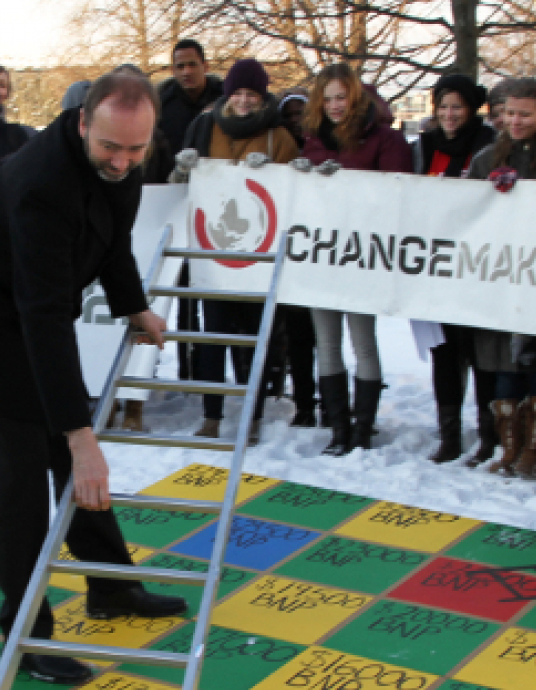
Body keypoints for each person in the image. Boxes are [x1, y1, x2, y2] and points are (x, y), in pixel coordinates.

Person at [0, 70, 186, 687]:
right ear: (83, 122)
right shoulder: (40, 185)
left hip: (38, 316)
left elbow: (114, 242)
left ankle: (111, 589)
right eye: (111, 147)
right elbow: (43, 316)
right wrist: (82, 438)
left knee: (77, 463)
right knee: (27, 483)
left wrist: (133, 304)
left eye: (137, 149)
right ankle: (25, 633)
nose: (124, 161)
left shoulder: (123, 161)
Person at [178, 59, 300, 445]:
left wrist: (278, 172)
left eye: (252, 95)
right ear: (227, 95)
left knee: (255, 337)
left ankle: (251, 413)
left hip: (259, 250)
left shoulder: (277, 136)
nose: (244, 102)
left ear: (263, 98)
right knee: (213, 335)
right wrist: (183, 171)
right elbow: (181, 183)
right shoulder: (204, 126)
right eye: (238, 94)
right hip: (213, 247)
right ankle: (212, 415)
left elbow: (294, 190)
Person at [301, 63, 413, 456]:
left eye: (341, 97)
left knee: (362, 340)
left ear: (355, 97)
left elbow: (398, 193)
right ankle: (338, 427)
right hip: (319, 255)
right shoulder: (312, 140)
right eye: (327, 98)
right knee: (326, 341)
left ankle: (363, 427)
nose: (334, 106)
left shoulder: (383, 138)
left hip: (363, 256)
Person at [467, 78, 536, 478]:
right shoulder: (488, 157)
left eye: (525, 114)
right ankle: (508, 446)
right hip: (503, 274)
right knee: (504, 357)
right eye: (510, 113)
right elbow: (465, 209)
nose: (516, 121)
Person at [414, 75, 498, 466]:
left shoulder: (488, 145)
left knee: (480, 353)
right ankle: (449, 435)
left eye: (457, 107)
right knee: (445, 354)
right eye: (443, 106)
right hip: (435, 266)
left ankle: (488, 435)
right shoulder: (424, 147)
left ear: (471, 109)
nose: (449, 114)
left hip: (478, 266)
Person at [159, 40, 222, 382]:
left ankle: (216, 371)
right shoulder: (163, 103)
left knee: (211, 292)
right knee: (181, 294)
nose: (186, 72)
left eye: (191, 64)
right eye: (179, 65)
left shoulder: (224, 98)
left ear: (204, 64)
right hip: (176, 202)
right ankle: (186, 371)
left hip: (218, 208)